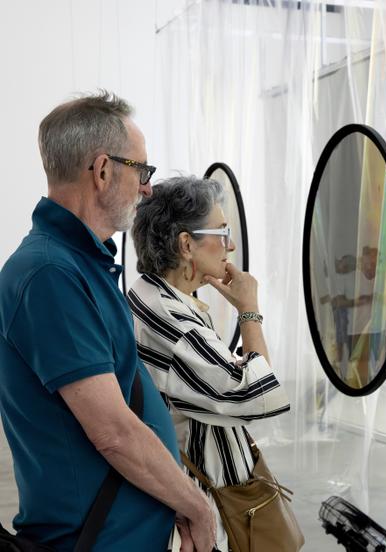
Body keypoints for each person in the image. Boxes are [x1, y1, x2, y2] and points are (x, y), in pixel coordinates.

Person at [0, 92, 215, 551]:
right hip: (94, 540)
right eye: (142, 170)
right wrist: (194, 504)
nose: (147, 188)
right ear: (102, 171)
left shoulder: (80, 264)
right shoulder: (50, 275)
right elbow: (113, 432)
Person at [128, 176, 291, 552]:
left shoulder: (151, 294)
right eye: (221, 232)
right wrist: (249, 311)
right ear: (187, 245)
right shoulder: (170, 322)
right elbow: (257, 395)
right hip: (206, 514)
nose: (230, 245)